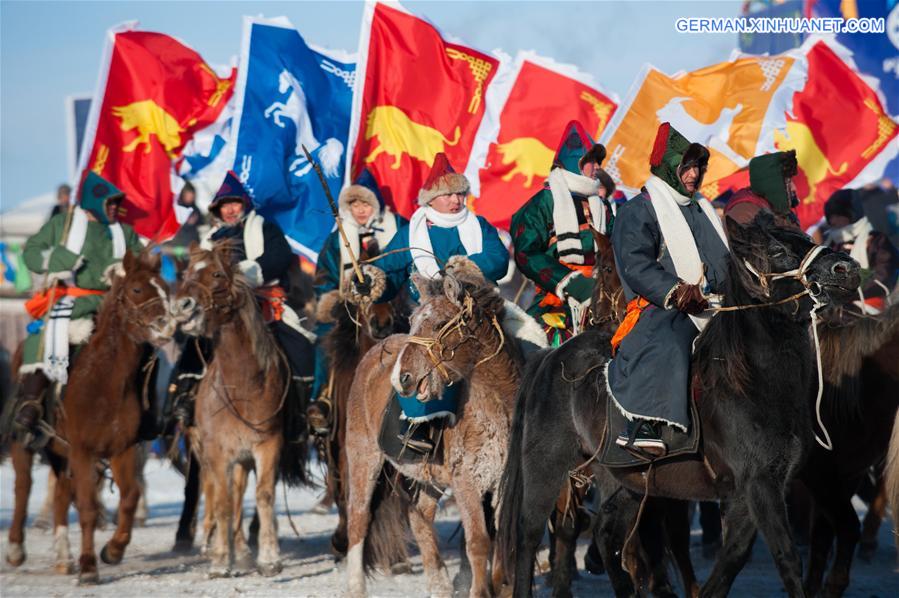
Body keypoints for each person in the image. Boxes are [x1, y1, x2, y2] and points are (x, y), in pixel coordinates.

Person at [350, 153, 508, 452]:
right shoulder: (411, 232)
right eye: (448, 194)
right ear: (431, 200)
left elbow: (498, 259)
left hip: (480, 312)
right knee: (414, 358)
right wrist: (370, 281)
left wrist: (463, 269)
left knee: (526, 344)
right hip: (433, 316)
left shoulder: (479, 225)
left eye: (459, 193)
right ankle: (415, 427)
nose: (455, 200)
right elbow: (391, 272)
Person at [607, 122, 730, 456]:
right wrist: (677, 292)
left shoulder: (703, 208)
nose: (694, 174)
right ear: (669, 167)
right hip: (662, 308)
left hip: (717, 305)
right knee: (671, 340)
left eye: (698, 167)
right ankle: (641, 424)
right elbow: (636, 265)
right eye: (686, 166)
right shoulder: (638, 209)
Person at [166, 171, 314, 433]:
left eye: (234, 204)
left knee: (299, 346)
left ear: (243, 204)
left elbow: (278, 258)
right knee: (194, 344)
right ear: (218, 210)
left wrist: (242, 275)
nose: (231, 210)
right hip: (220, 309)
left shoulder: (265, 229)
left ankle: (301, 411)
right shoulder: (209, 241)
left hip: (265, 303)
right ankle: (182, 400)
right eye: (225, 205)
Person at [13, 172, 143, 444]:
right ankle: (31, 404)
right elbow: (32, 251)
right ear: (94, 203)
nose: (114, 208)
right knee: (46, 337)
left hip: (113, 304)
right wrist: (53, 262)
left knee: (144, 346)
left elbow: (141, 266)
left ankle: (147, 409)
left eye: (115, 203)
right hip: (70, 301)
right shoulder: (64, 224)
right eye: (109, 203)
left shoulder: (125, 232)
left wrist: (129, 270)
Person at [306, 176, 406, 433]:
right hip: (349, 309)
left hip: (396, 304)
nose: (360, 210)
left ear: (377, 205)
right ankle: (323, 397)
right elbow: (324, 276)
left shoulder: (398, 230)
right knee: (324, 340)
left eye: (366, 203)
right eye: (355, 204)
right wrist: (333, 298)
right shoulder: (336, 239)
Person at [510, 121, 616, 346]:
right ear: (574, 162)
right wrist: (570, 283)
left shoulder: (602, 205)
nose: (597, 167)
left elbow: (616, 248)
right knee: (536, 356)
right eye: (590, 161)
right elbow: (525, 253)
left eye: (598, 161)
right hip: (555, 300)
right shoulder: (543, 202)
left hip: (603, 295)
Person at [823, 187, 899, 312]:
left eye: (837, 215)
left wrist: (849, 294)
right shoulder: (830, 244)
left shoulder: (874, 240)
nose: (832, 221)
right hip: (836, 311)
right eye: (830, 216)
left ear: (850, 215)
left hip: (870, 310)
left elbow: (884, 275)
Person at [724, 150, 801, 229]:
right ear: (774, 184)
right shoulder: (747, 209)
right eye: (789, 181)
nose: (794, 188)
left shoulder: (783, 216)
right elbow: (735, 234)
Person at [168, 181, 206, 251]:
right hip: (177, 246)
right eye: (188, 195)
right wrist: (187, 224)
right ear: (183, 195)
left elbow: (202, 224)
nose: (190, 197)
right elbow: (171, 227)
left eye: (192, 195)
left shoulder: (195, 209)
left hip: (193, 245)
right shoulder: (176, 209)